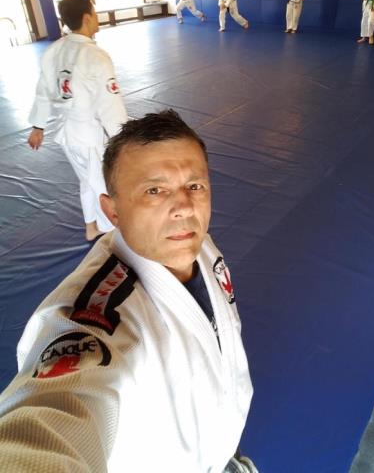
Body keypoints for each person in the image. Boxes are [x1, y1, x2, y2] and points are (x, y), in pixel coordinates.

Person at [0, 110, 256, 473]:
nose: (184, 207)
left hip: (220, 444)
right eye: (155, 190)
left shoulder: (200, 246)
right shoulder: (96, 318)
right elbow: (50, 417)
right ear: (113, 211)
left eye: (195, 186)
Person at [27, 0, 128, 241]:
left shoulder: (54, 50)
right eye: (94, 9)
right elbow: (110, 105)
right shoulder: (96, 56)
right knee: (104, 185)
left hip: (67, 135)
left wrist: (38, 126)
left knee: (86, 180)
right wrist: (125, 139)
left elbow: (43, 90)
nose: (96, 14)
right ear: (86, 17)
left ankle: (91, 227)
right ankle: (111, 235)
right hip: (89, 136)